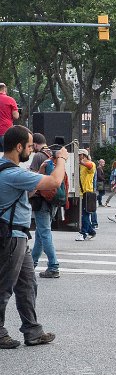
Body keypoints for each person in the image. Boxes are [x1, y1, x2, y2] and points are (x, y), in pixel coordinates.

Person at [0, 125, 66, 348]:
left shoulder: (5, 169)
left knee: (28, 283)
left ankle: (32, 330)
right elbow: (55, 183)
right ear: (18, 147)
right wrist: (61, 160)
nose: (31, 150)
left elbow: (27, 188)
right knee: (4, 285)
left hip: (17, 234)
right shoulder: (12, 173)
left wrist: (38, 175)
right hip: (11, 235)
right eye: (29, 146)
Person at [29, 136, 59, 278]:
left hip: (41, 200)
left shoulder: (38, 156)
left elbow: (33, 178)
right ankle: (32, 263)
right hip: (53, 200)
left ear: (35, 144)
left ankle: (53, 266)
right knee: (41, 234)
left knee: (44, 233)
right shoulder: (52, 154)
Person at [75, 149, 97, 241]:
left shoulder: (91, 164)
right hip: (81, 192)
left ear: (83, 155)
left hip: (87, 192)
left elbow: (90, 165)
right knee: (84, 214)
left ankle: (83, 233)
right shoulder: (80, 166)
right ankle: (91, 231)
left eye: (79, 155)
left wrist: (81, 162)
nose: (78, 156)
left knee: (85, 214)